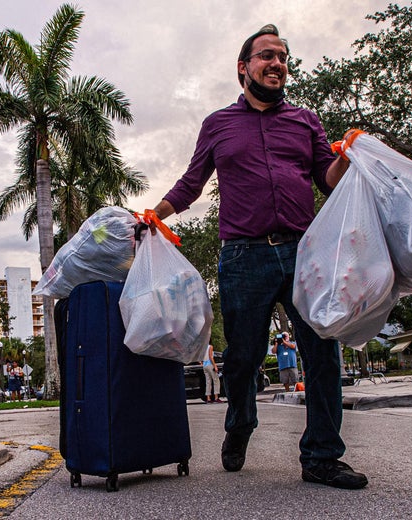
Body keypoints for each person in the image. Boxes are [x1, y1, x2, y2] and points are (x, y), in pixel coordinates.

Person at [151, 24, 367, 489]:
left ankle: (322, 457)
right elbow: (191, 183)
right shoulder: (218, 125)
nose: (277, 64)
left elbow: (326, 180)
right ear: (243, 67)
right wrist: (156, 215)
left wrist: (345, 157)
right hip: (244, 257)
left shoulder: (305, 120)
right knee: (244, 356)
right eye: (266, 55)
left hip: (303, 252)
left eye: (283, 57)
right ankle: (240, 423)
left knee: (322, 351)